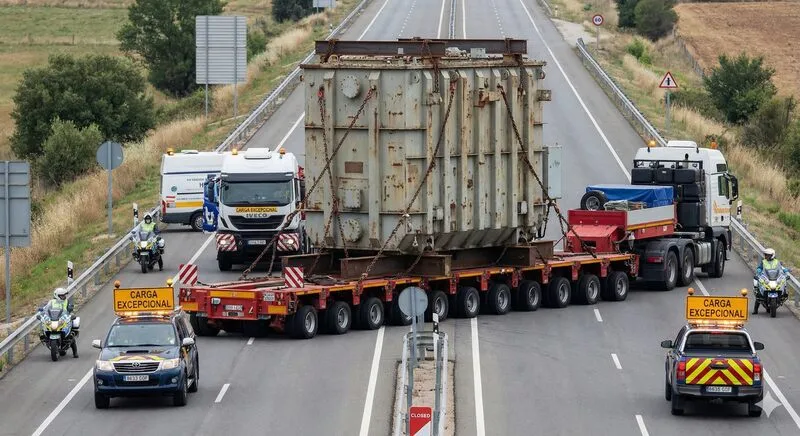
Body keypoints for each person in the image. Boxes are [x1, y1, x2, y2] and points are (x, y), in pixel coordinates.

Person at [41, 287, 78, 358]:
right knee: (43, 326)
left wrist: (70, 309)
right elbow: (46, 310)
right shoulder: (51, 302)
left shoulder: (66, 301)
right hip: (54, 319)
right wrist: (43, 312)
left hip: (64, 319)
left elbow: (70, 309)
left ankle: (75, 352)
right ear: (57, 295)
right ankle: (45, 337)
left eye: (64, 295)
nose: (64, 296)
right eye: (62, 295)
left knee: (71, 335)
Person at [753, 248, 790, 314]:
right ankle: (755, 310)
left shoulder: (777, 261)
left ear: (772, 255)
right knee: (758, 292)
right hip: (766, 277)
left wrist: (786, 271)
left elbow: (781, 268)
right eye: (765, 255)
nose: (766, 256)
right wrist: (758, 271)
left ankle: (783, 294)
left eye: (767, 255)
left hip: (775, 278)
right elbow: (760, 268)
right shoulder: (763, 261)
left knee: (783, 284)